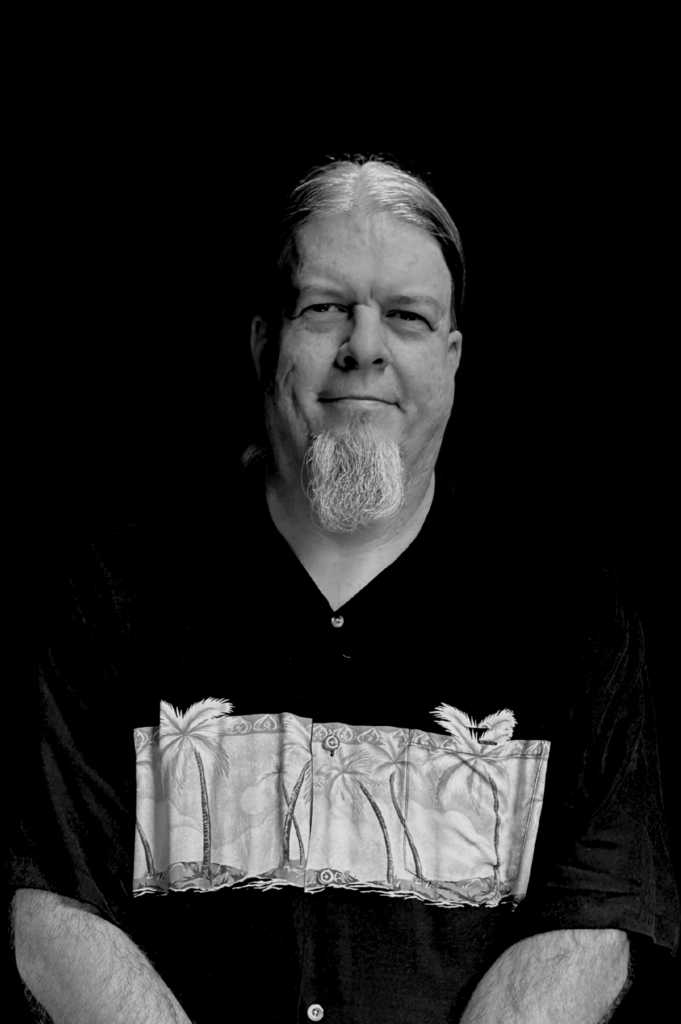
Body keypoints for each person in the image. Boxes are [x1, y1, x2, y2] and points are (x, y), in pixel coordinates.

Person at [14, 156, 679, 1022]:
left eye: (404, 316)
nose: (363, 346)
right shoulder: (118, 594)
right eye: (326, 308)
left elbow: (591, 916)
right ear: (264, 342)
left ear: (450, 359)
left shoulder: (568, 612)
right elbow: (52, 904)